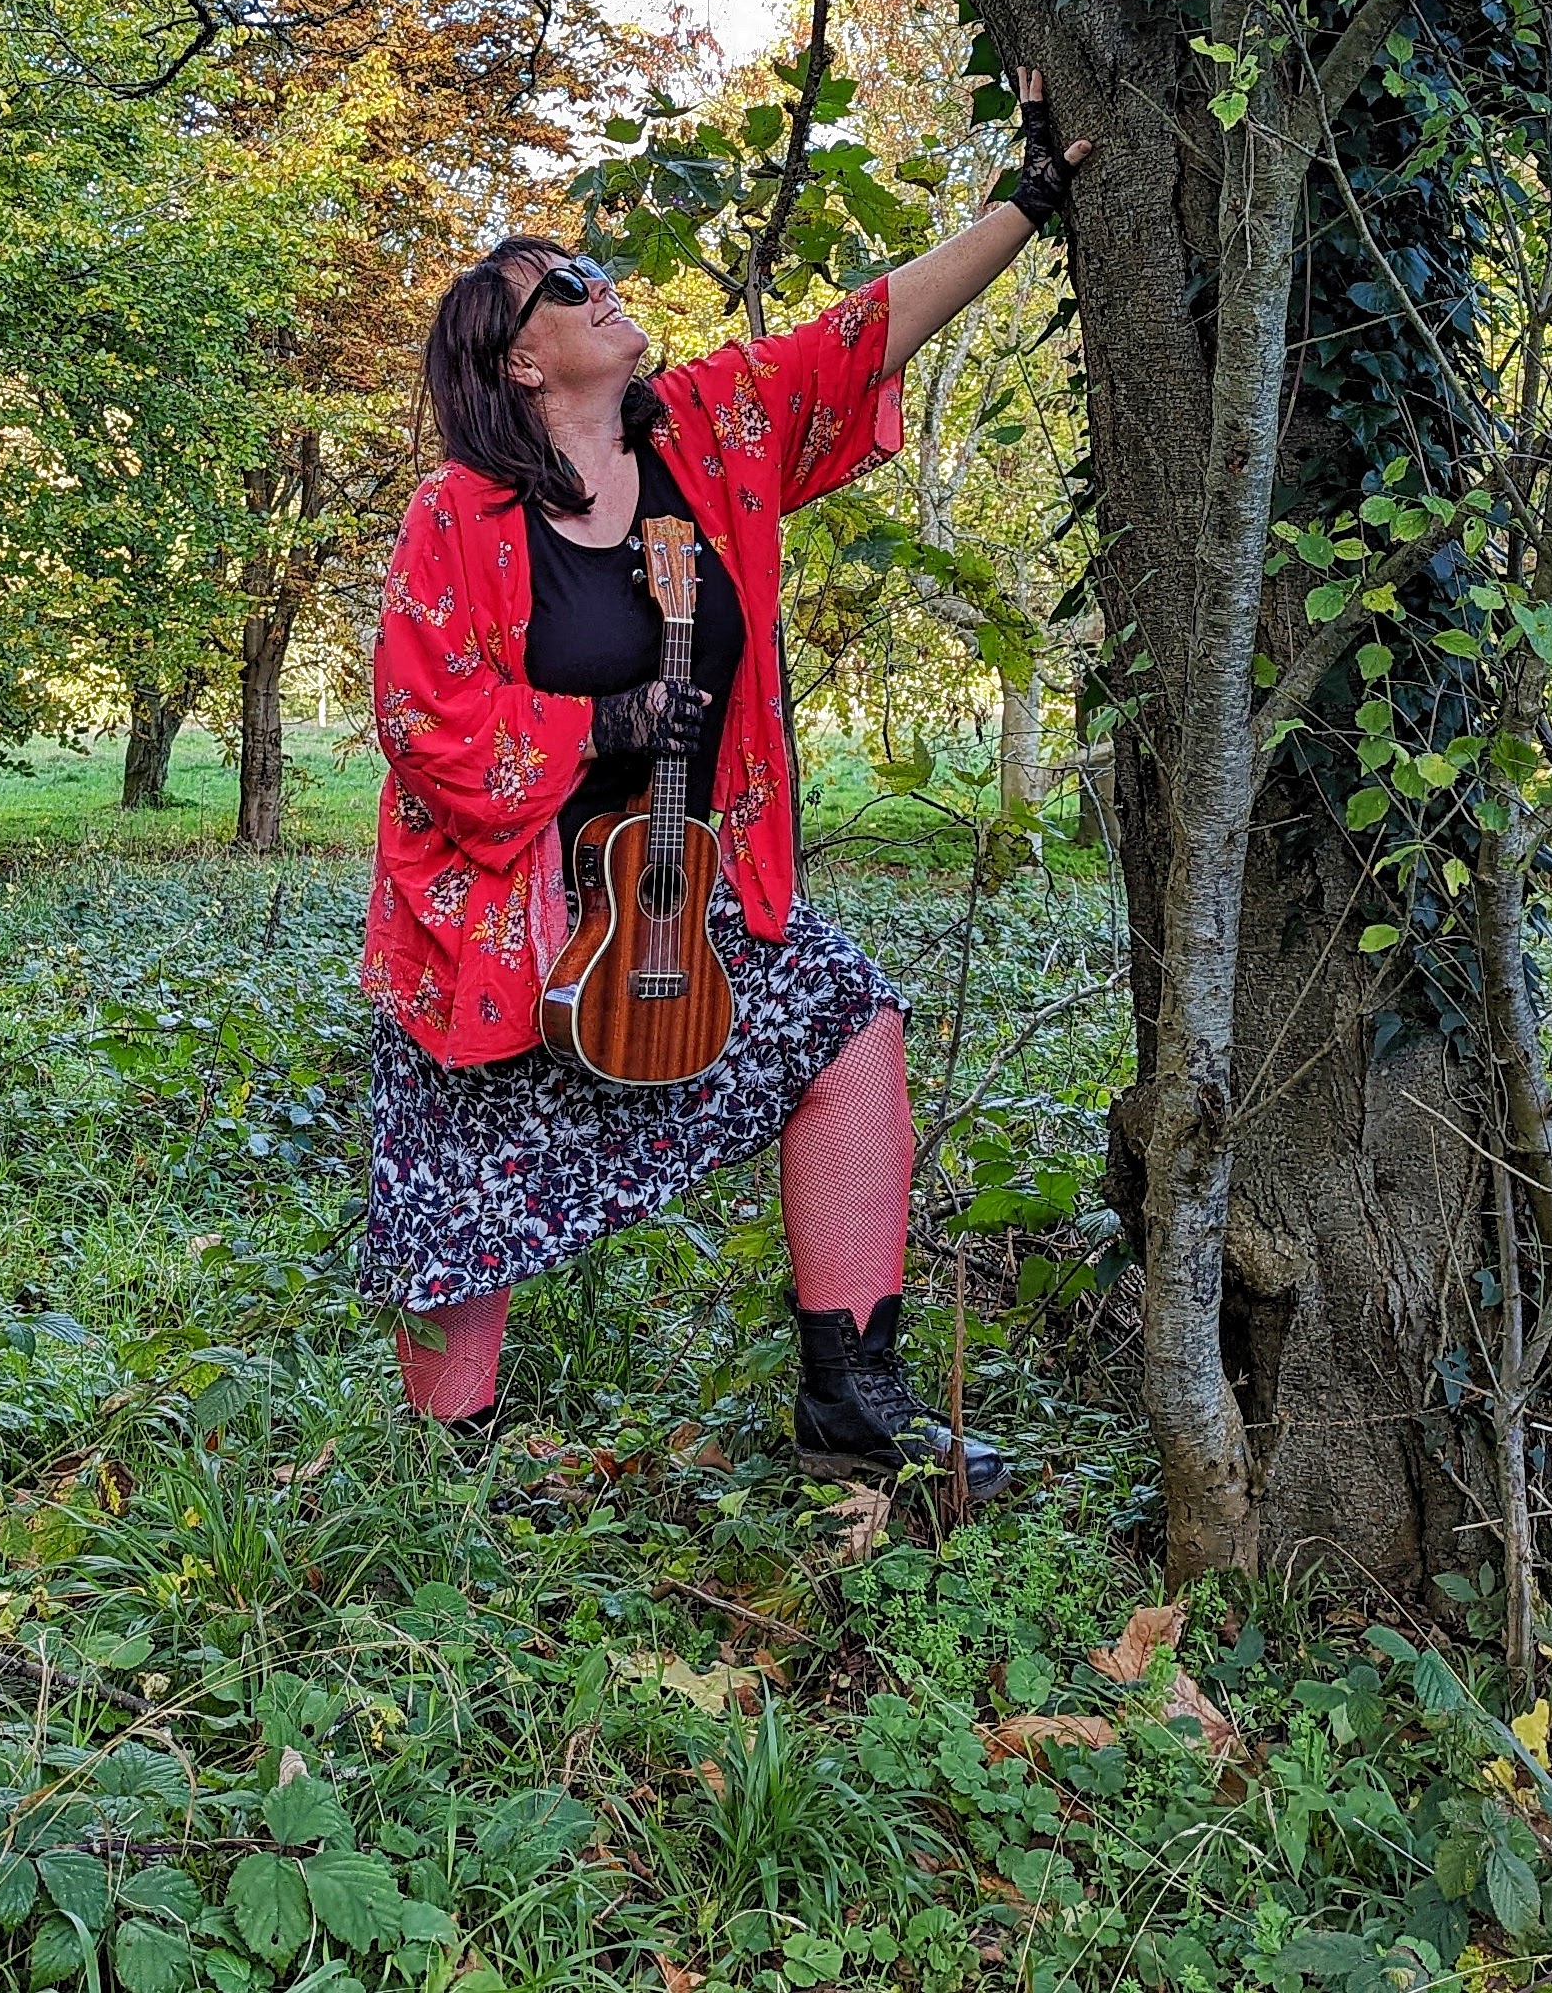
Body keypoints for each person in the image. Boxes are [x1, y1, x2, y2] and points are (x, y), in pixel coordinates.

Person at [357, 74, 1089, 1477]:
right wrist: (605, 725)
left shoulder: (708, 433)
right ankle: (449, 1478)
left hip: (693, 889)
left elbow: (859, 338)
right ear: (517, 361)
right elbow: (421, 713)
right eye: (566, 284)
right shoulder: (458, 511)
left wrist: (1023, 201)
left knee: (849, 1021)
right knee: (460, 1187)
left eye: (595, 267)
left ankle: (850, 1407)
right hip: (506, 909)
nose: (602, 284)